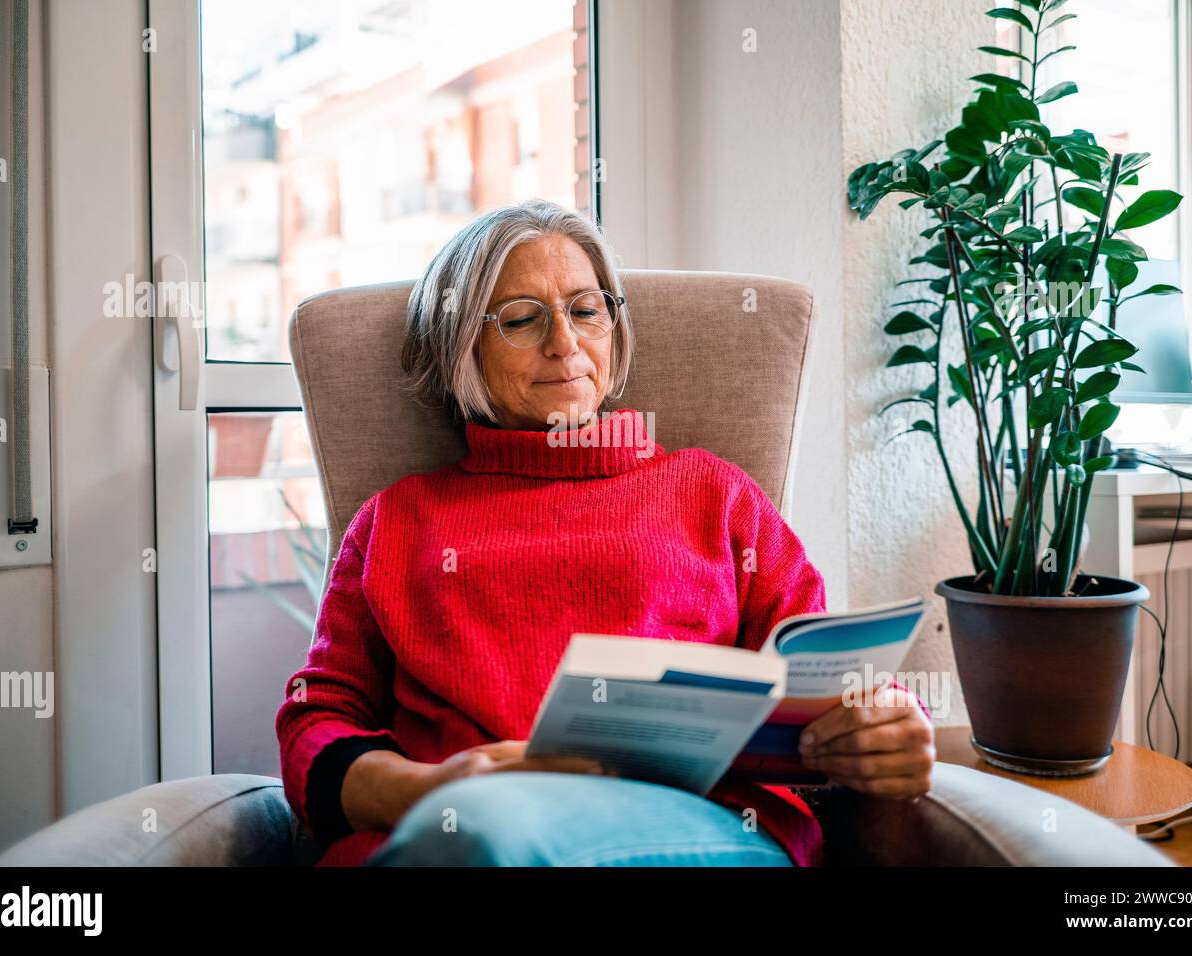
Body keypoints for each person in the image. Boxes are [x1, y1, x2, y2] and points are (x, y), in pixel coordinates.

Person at [275, 198, 934, 866]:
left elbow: (818, 666)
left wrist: (883, 718)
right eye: (522, 319)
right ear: (459, 347)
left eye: (586, 311)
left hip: (692, 827)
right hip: (461, 829)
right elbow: (317, 718)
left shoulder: (715, 495)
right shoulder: (397, 522)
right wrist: (426, 789)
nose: (565, 342)